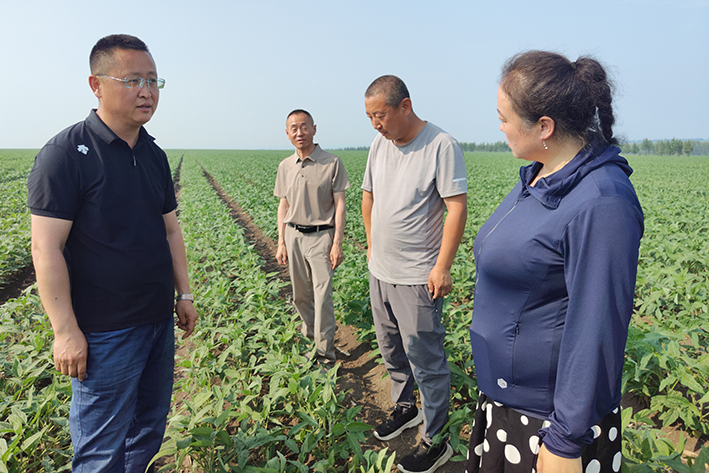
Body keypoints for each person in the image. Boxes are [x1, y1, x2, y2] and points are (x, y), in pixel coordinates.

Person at [466, 51, 644, 473]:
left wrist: (565, 441)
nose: (500, 127)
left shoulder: (602, 202)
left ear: (544, 126)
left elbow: (597, 329)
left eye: (504, 117)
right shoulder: (540, 174)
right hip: (508, 406)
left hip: (548, 424)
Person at [27, 34, 198, 473]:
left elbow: (171, 230)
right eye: (133, 79)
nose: (147, 91)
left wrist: (184, 294)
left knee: (148, 428)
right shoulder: (66, 154)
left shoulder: (154, 154)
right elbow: (47, 247)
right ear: (96, 84)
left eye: (154, 80)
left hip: (157, 321)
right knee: (101, 448)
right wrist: (65, 331)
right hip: (104, 332)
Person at [362, 75, 468, 473]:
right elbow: (368, 195)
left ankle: (435, 438)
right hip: (380, 271)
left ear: (405, 106)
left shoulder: (441, 145)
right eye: (370, 117)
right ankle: (406, 408)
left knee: (425, 358)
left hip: (417, 277)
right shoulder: (379, 144)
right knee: (391, 348)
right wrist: (372, 245)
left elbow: (455, 208)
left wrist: (442, 266)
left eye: (381, 115)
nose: (376, 124)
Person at [274, 109, 349, 368]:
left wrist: (337, 242)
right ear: (287, 134)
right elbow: (283, 206)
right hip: (293, 235)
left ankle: (326, 354)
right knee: (301, 296)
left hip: (321, 237)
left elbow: (340, 205)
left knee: (323, 296)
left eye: (303, 127)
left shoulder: (332, 163)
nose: (299, 132)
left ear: (314, 129)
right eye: (293, 128)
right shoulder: (285, 166)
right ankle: (311, 342)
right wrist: (281, 241)